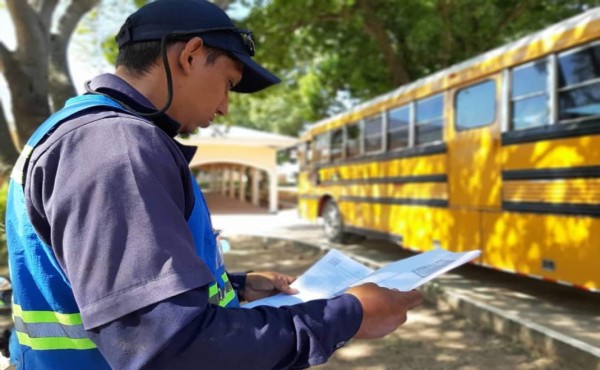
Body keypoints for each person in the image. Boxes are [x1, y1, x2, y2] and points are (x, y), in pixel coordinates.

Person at [4, 0, 423, 369]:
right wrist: (347, 315)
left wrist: (234, 287)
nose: (223, 106)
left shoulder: (80, 130)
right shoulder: (116, 147)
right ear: (190, 55)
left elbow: (104, 288)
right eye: (228, 83)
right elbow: (166, 347)